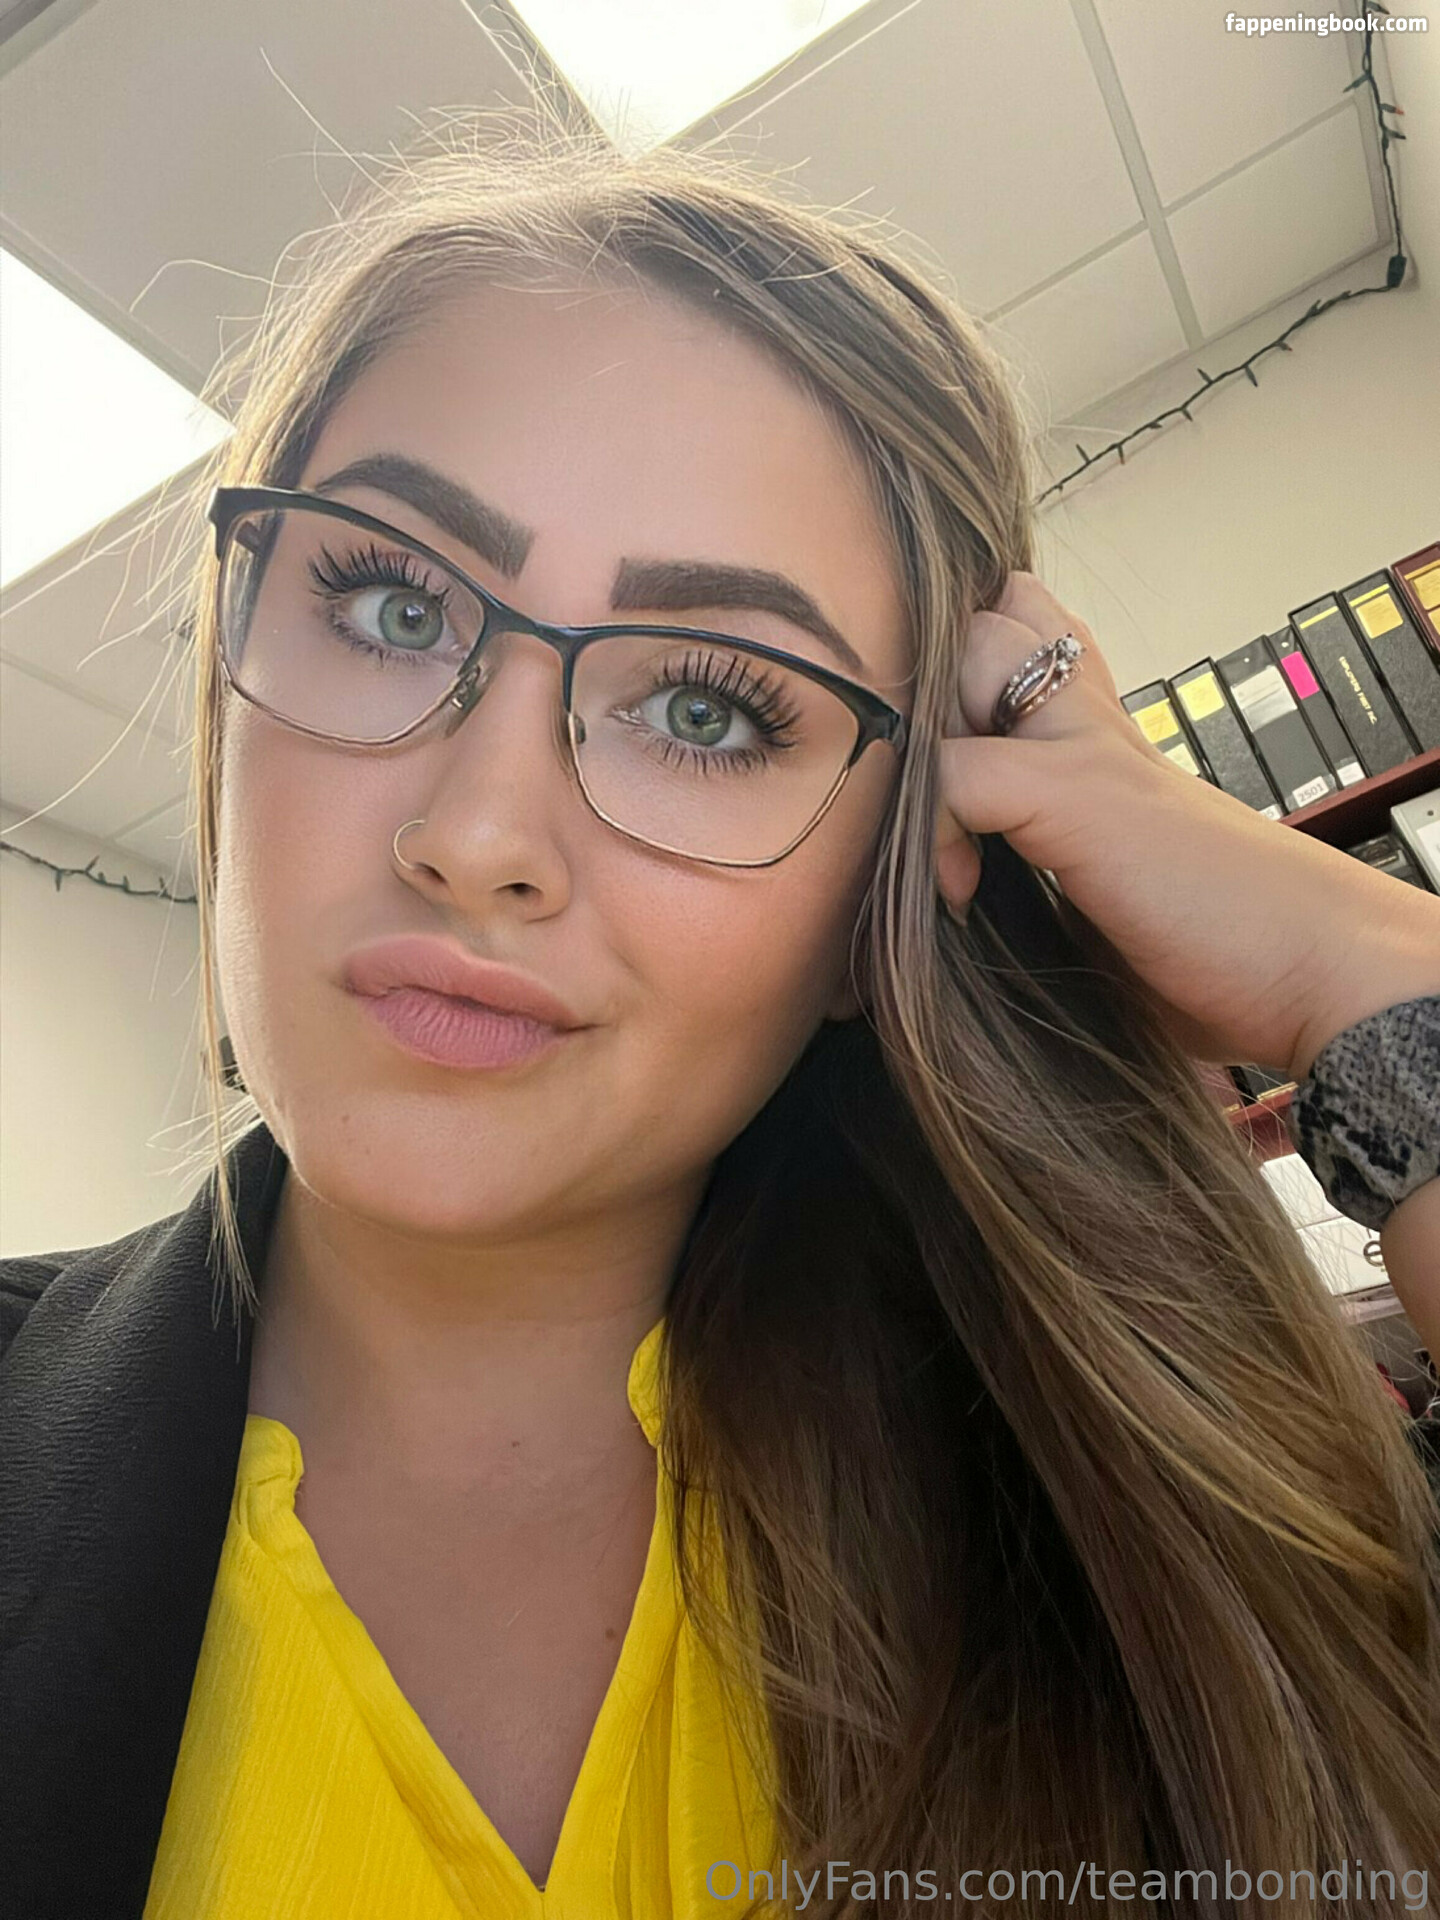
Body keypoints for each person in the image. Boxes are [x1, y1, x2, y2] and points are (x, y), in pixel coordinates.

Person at [3, 112, 1439, 1920]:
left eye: (705, 710)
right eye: (386, 603)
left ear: (881, 891)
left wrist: (1368, 979)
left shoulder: (1145, 1516)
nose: (479, 837)